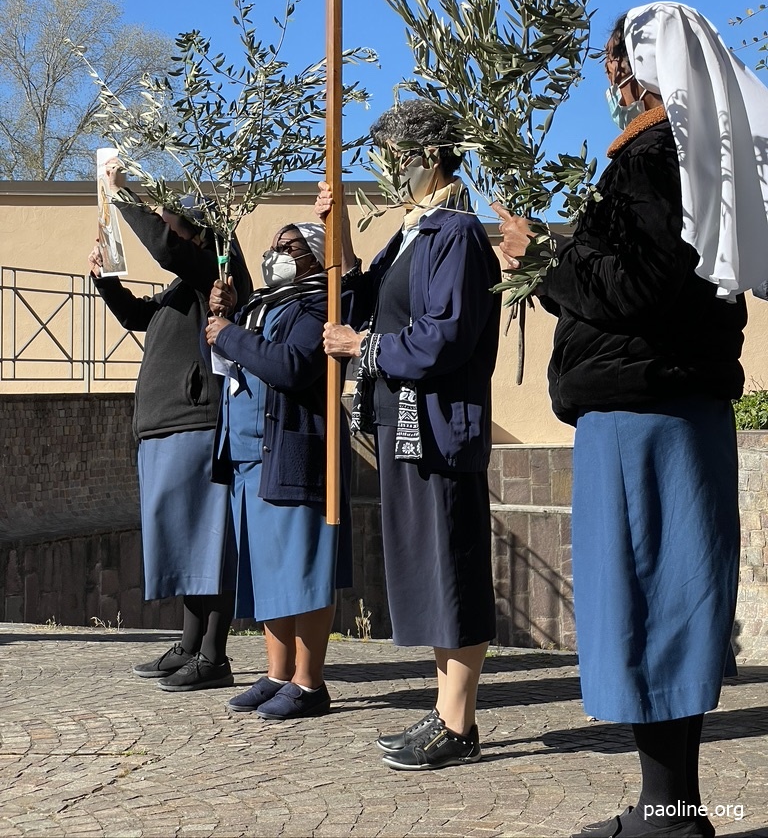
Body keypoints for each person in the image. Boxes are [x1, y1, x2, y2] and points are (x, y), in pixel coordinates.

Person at [496, 2, 768, 838]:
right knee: (669, 604)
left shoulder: (654, 158)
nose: (609, 72)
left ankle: (669, 813)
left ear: (647, 62)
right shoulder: (700, 156)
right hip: (673, 410)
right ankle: (671, 806)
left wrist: (543, 256)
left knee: (649, 604)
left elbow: (634, 288)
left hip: (643, 414)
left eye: (616, 55)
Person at [317, 99, 501, 770]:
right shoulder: (411, 234)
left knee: (453, 569)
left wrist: (362, 348)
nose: (386, 169)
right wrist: (337, 231)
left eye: (393, 156)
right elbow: (366, 296)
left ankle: (460, 723)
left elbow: (443, 336)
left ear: (428, 157)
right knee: (429, 569)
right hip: (405, 426)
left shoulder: (456, 233)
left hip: (439, 429)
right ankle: (446, 709)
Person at [89, 163, 252, 692]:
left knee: (208, 543)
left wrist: (121, 195)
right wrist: (106, 281)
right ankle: (189, 645)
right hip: (166, 425)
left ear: (199, 235)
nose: (164, 228)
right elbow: (139, 317)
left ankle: (214, 655)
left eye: (172, 222)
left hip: (195, 422)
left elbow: (166, 250)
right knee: (185, 543)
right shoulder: (185, 286)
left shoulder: (218, 274)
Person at [204, 221, 353, 721]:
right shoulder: (260, 303)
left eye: (287, 246)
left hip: (293, 451)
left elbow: (292, 365)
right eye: (272, 247)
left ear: (314, 254)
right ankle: (276, 673)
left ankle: (309, 682)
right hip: (249, 458)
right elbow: (227, 357)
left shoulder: (321, 303)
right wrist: (223, 318)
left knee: (302, 568)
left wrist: (230, 335)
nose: (275, 254)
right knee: (267, 570)